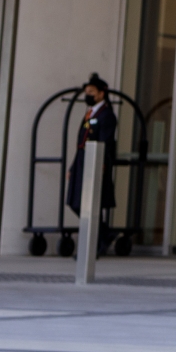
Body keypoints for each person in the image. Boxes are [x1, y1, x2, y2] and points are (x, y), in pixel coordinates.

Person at [63, 75, 119, 256]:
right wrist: (73, 166)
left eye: (91, 92)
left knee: (91, 203)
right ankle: (105, 234)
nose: (88, 95)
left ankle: (96, 242)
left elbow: (105, 141)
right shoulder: (89, 114)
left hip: (95, 160)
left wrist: (101, 162)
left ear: (102, 93)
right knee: (76, 201)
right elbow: (81, 142)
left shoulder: (106, 115)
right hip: (82, 160)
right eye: (86, 92)